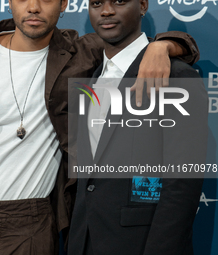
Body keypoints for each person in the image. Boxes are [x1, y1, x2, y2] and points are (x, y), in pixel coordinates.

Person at [0, 0, 200, 253]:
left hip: (32, 226)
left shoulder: (80, 55)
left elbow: (131, 43)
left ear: (65, 3)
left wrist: (164, 47)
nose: (34, 7)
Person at [68, 0, 208, 254]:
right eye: (97, 3)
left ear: (142, 5)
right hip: (85, 241)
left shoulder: (176, 76)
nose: (106, 11)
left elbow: (182, 184)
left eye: (119, 1)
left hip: (141, 244)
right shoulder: (90, 76)